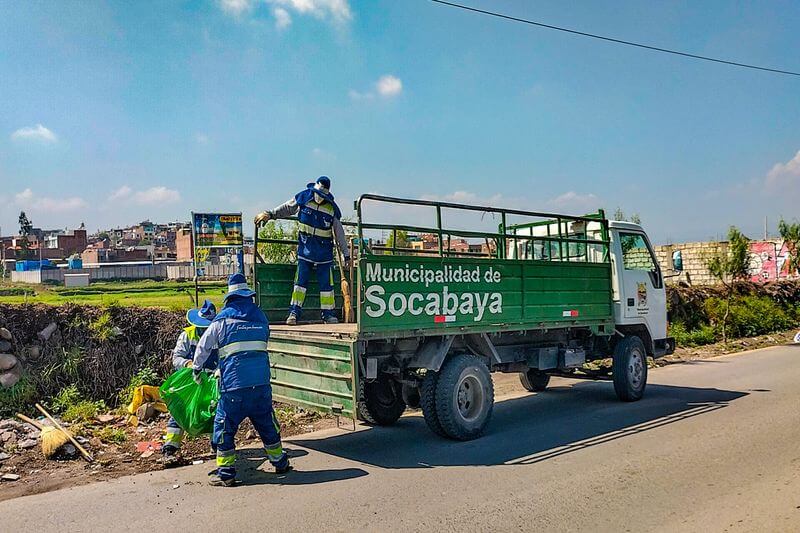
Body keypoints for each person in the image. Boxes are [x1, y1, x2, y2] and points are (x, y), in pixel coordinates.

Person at [193, 273, 290, 487]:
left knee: (225, 426)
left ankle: (226, 473)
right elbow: (264, 339)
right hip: (261, 384)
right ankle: (279, 461)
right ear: (247, 295)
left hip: (234, 386)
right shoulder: (261, 317)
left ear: (230, 297)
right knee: (266, 423)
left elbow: (203, 347)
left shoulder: (222, 321)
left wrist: (196, 368)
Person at [254, 176, 350, 325]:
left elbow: (340, 233)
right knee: (300, 283)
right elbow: (287, 208)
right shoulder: (303, 197)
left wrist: (346, 254)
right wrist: (270, 214)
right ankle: (294, 313)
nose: (319, 198)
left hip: (324, 254)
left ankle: (328, 315)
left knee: (327, 287)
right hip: (305, 251)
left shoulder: (331, 209)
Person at [161, 299, 218, 466]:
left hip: (210, 382)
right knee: (180, 413)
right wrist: (189, 364)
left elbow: (223, 357)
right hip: (190, 381)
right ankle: (170, 448)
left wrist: (217, 372)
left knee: (214, 412)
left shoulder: (218, 334)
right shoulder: (188, 335)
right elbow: (176, 358)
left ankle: (217, 445)